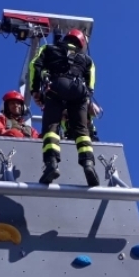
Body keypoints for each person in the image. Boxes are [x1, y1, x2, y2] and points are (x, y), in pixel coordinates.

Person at [29, 28, 99, 186]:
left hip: (56, 86)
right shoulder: (87, 59)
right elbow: (91, 79)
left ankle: (51, 164)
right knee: (82, 130)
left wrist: (35, 90)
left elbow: (35, 66)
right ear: (81, 43)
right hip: (79, 91)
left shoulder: (48, 48)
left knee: (51, 127)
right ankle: (89, 165)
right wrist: (86, 96)